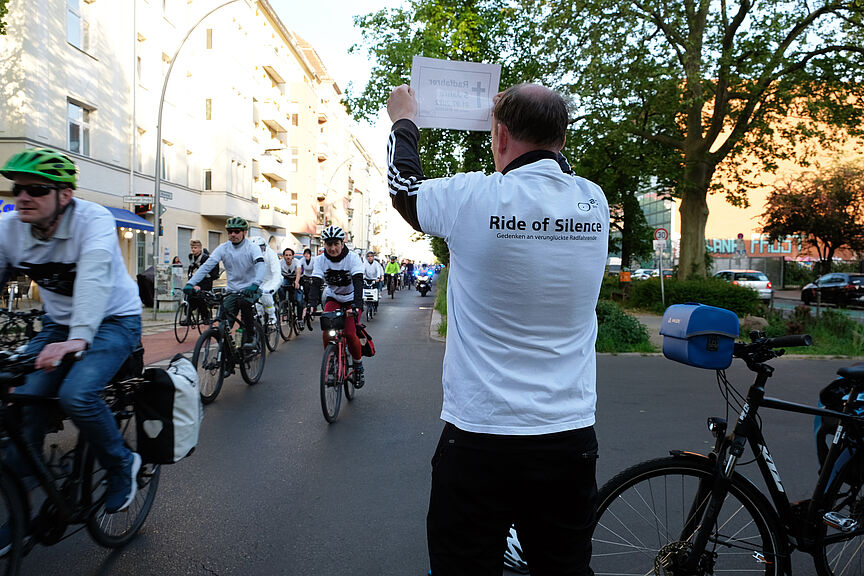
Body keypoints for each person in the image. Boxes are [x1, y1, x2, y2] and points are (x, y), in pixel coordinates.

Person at [386, 83, 610, 575]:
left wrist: (404, 120)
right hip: (567, 436)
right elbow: (551, 176)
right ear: (563, 139)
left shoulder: (472, 197)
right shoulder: (593, 202)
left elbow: (404, 189)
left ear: (501, 137)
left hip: (480, 435)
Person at [0, 148, 144, 525]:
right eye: (17, 189)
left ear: (65, 195)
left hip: (115, 320)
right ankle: (19, 488)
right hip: (58, 324)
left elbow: (94, 275)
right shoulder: (8, 228)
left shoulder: (92, 219)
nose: (23, 197)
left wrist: (79, 339)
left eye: (36, 189)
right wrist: (67, 335)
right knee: (23, 394)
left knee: (76, 394)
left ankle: (122, 463)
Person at [184, 217, 264, 357]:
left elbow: (261, 266)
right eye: (230, 231)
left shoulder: (252, 248)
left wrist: (256, 283)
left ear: (244, 232)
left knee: (244, 304)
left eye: (236, 231)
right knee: (223, 324)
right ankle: (226, 358)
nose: (233, 234)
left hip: (250, 289)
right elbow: (206, 267)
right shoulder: (223, 248)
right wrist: (191, 283)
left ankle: (250, 337)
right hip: (232, 290)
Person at [307, 226, 366, 388]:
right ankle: (332, 361)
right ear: (324, 244)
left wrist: (357, 306)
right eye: (329, 244)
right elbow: (316, 283)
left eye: (336, 244)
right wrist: (311, 304)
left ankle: (358, 365)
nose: (332, 248)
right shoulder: (320, 260)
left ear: (342, 243)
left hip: (352, 299)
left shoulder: (353, 258)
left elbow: (358, 282)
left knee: (350, 333)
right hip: (333, 297)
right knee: (327, 331)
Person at [249, 236, 280, 326]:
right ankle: (260, 320)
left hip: (271, 279)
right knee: (256, 302)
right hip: (259, 281)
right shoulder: (251, 256)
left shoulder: (271, 254)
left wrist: (272, 287)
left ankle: (272, 316)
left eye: (261, 247)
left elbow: (276, 273)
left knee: (266, 295)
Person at [186, 239, 217, 323]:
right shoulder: (191, 257)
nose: (193, 250)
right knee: (189, 297)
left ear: (200, 249)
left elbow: (207, 272)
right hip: (195, 280)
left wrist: (199, 285)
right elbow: (191, 269)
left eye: (195, 248)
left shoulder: (205, 258)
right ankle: (188, 317)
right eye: (192, 248)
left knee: (200, 297)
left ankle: (205, 315)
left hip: (205, 281)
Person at [298, 247, 321, 328]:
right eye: (305, 254)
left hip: (313, 276)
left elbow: (315, 269)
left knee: (314, 289)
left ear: (310, 255)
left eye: (308, 254)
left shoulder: (314, 260)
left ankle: (315, 303)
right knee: (305, 290)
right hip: (305, 276)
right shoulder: (302, 260)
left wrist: (313, 278)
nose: (306, 255)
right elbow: (299, 268)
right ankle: (306, 303)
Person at [279, 248, 302, 326]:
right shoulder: (280, 263)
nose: (288, 257)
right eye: (286, 255)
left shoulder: (296, 262)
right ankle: (284, 306)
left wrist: (296, 282)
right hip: (286, 279)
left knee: (299, 300)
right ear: (283, 256)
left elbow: (299, 271)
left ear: (292, 256)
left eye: (290, 255)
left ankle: (300, 320)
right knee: (280, 287)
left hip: (296, 279)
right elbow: (277, 273)